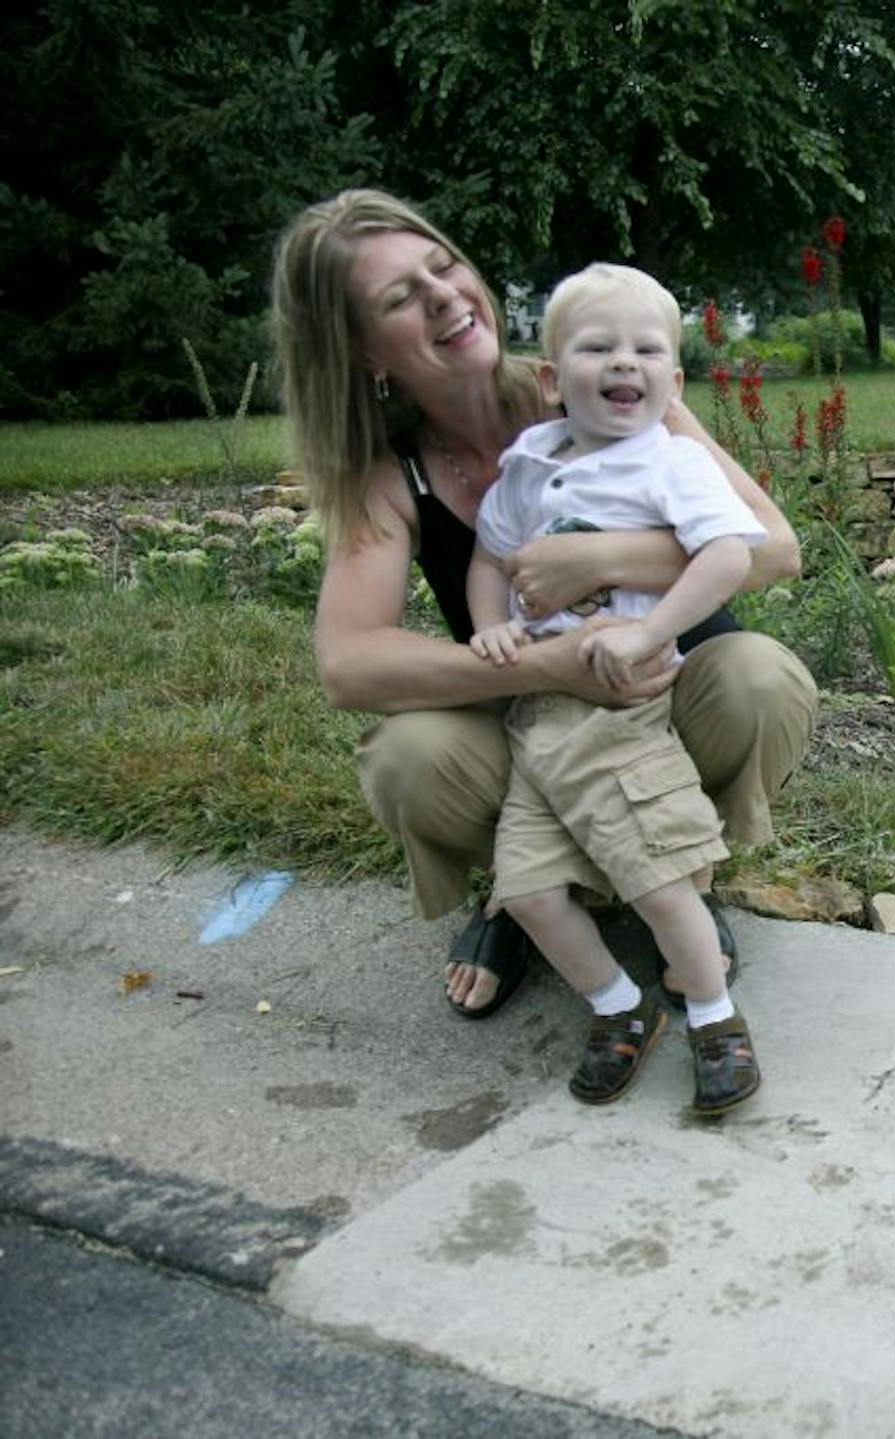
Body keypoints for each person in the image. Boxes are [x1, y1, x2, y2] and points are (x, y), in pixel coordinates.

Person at [269, 190, 815, 1031]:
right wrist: (546, 663)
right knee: (408, 757)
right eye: (400, 299)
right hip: (540, 714)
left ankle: (686, 877)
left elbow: (774, 548)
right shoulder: (393, 473)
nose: (444, 295)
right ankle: (523, 891)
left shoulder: (608, 375)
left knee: (760, 678)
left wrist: (597, 558)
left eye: (441, 265)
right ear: (363, 352)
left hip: (667, 688)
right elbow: (349, 664)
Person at [467, 261, 764, 1113]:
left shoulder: (669, 462)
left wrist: (648, 627)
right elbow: (493, 554)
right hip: (536, 719)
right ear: (554, 379)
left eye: (646, 350)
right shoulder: (527, 463)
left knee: (659, 879)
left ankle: (713, 1016)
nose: (624, 363)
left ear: (673, 379)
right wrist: (491, 620)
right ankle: (619, 1006)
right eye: (599, 347)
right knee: (525, 891)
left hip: (621, 705)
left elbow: (730, 553)